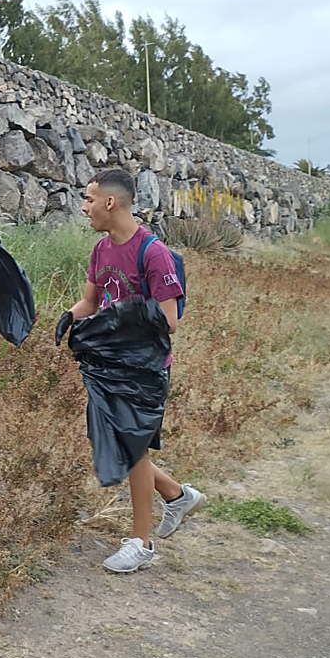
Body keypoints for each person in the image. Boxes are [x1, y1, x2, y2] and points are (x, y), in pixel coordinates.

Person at [55, 168, 204, 573]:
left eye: (88, 199)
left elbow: (169, 318)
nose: (83, 207)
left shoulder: (152, 252)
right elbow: (92, 301)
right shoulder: (102, 250)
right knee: (116, 443)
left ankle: (141, 542)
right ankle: (176, 494)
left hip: (143, 369)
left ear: (109, 202)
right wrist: (70, 316)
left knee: (133, 448)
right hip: (109, 367)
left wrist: (120, 316)